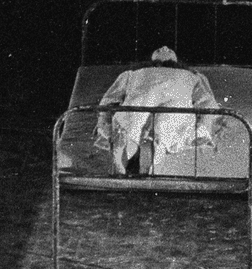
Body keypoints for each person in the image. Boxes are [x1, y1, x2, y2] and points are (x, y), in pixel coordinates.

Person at [93, 46, 222, 175]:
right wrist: (203, 127)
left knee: (132, 127)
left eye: (169, 50)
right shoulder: (132, 74)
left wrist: (103, 121)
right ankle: (146, 161)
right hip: (169, 114)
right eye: (160, 50)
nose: (164, 47)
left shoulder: (133, 74)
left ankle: (125, 151)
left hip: (139, 111)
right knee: (156, 134)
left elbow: (108, 100)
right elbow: (207, 104)